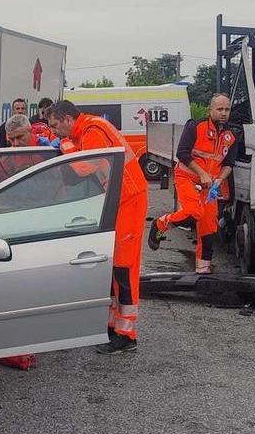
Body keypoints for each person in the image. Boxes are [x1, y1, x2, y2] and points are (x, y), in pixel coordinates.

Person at [49, 100, 149, 355]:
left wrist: (64, 145)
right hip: (120, 199)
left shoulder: (93, 130)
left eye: (55, 126)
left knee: (124, 266)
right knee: (114, 265)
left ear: (68, 119)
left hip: (129, 198)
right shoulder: (87, 130)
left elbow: (83, 167)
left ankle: (127, 334)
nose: (54, 131)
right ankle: (113, 327)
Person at [146, 93, 240, 274]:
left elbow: (229, 164)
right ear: (210, 110)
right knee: (192, 212)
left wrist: (219, 180)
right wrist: (202, 173)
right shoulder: (195, 127)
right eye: (219, 109)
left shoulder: (232, 135)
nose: (223, 113)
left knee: (209, 226)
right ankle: (160, 224)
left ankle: (203, 268)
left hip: (210, 186)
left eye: (227, 109)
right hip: (186, 177)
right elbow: (182, 153)